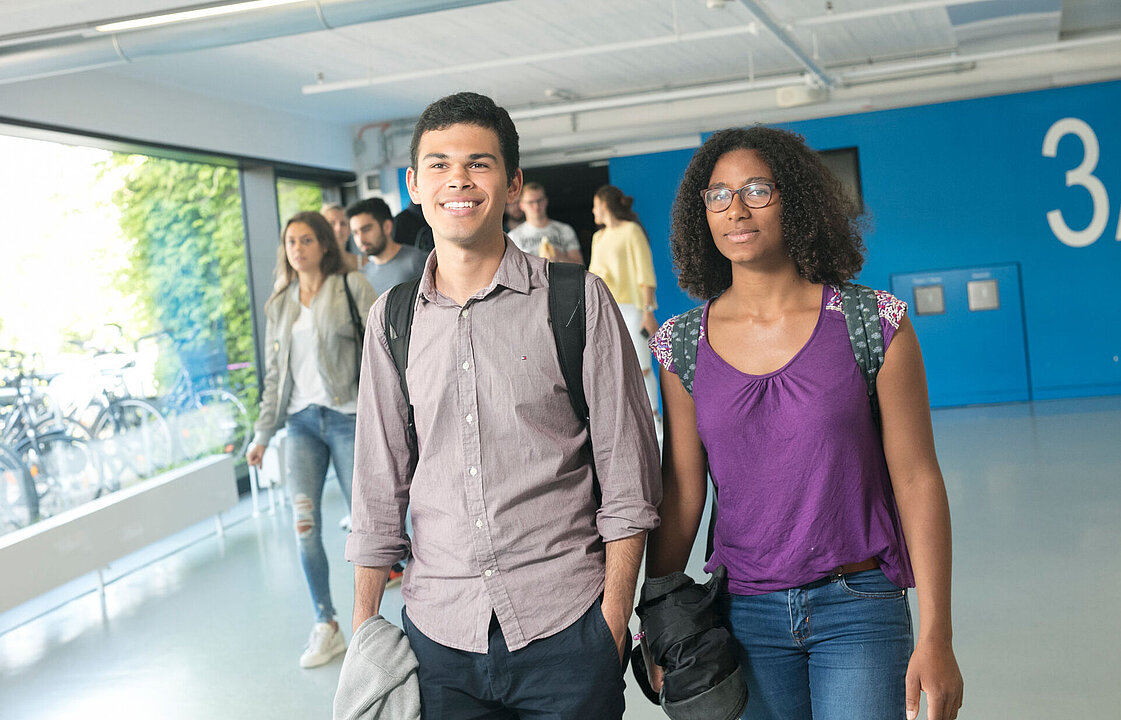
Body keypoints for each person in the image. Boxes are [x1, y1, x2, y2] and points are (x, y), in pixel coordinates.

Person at [345, 91, 660, 719]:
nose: (457, 179)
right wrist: (364, 633)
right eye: (438, 164)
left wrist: (612, 623)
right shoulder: (394, 319)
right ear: (414, 185)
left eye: (478, 164)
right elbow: (378, 484)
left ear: (512, 183)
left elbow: (629, 469)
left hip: (568, 625)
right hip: (439, 638)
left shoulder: (575, 300)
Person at [644, 126, 964, 720]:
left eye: (757, 190)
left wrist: (937, 635)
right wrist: (660, 616)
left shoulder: (874, 322)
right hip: (742, 616)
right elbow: (683, 491)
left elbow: (917, 478)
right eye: (718, 195)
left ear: (795, 199)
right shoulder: (680, 345)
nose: (735, 209)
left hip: (859, 608)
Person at [245, 211, 376, 669]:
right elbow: (274, 376)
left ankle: (369, 627)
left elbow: (384, 354)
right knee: (304, 529)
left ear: (323, 244)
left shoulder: (352, 287)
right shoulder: (279, 305)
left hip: (349, 420)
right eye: (290, 242)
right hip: (299, 426)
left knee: (369, 528)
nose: (296, 248)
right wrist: (263, 434)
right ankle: (327, 624)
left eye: (305, 240)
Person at [588, 185, 659, 415]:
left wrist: (648, 312)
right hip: (606, 310)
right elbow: (593, 274)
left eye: (596, 205)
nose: (592, 210)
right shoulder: (598, 237)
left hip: (632, 310)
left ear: (605, 205)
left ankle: (654, 421)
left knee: (642, 367)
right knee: (617, 371)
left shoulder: (631, 231)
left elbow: (644, 272)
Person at [348, 197, 428, 295]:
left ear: (387, 227)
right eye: (355, 233)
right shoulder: (363, 275)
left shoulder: (419, 261)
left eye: (366, 229)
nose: (360, 239)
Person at [508, 181, 583, 263]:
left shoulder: (564, 230)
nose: (536, 206)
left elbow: (580, 267)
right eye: (531, 202)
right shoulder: (513, 237)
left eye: (539, 200)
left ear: (546, 201)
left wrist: (559, 257)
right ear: (521, 205)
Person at [322, 202, 365, 271]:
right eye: (332, 223)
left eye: (343, 223)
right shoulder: (314, 265)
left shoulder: (364, 263)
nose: (338, 228)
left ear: (349, 230)